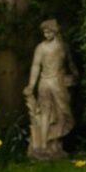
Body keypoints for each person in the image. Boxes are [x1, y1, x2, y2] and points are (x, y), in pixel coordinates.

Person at [24, 19, 78, 160]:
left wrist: (75, 74)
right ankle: (42, 146)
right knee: (45, 114)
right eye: (44, 32)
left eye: (48, 31)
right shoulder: (41, 48)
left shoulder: (63, 46)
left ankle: (54, 144)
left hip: (58, 84)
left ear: (55, 31)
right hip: (46, 83)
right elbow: (35, 66)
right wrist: (31, 85)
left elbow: (70, 63)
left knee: (62, 113)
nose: (46, 34)